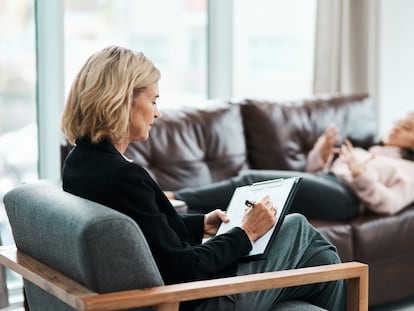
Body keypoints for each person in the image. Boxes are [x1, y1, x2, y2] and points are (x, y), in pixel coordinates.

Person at [60, 45, 346, 311]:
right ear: (123, 101)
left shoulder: (80, 162)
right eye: (153, 100)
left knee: (323, 262)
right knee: (297, 228)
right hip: (194, 301)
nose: (157, 113)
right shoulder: (124, 177)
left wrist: (200, 224)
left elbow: (143, 233)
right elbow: (184, 268)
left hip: (164, 294)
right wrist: (246, 233)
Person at [166, 113, 414, 220]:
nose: (397, 126)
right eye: (400, 121)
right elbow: (315, 174)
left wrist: (361, 174)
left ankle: (175, 198)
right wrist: (322, 152)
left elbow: (389, 205)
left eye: (407, 127)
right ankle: (182, 212)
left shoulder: (409, 171)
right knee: (252, 196)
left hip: (347, 198)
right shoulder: (370, 152)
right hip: (331, 183)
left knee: (252, 180)